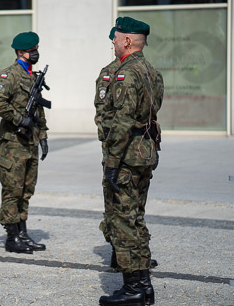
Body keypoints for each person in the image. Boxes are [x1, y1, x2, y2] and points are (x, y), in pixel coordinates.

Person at [98, 17, 163, 306]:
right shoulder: (151, 70)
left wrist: (112, 162)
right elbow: (153, 110)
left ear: (126, 41)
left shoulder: (127, 73)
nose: (113, 41)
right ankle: (144, 287)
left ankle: (134, 289)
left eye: (116, 37)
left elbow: (122, 121)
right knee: (135, 218)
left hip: (126, 156)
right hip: (144, 152)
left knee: (123, 222)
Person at [0, 31, 49, 254]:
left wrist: (42, 136)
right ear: (20, 52)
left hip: (30, 141)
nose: (36, 53)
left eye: (36, 49)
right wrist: (19, 118)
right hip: (13, 143)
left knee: (26, 190)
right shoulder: (9, 76)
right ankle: (12, 237)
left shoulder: (33, 77)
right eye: (32, 50)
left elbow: (39, 110)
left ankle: (23, 233)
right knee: (12, 190)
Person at [94, 28, 121, 267]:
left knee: (134, 202)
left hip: (136, 151)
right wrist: (111, 142)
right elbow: (101, 113)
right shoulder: (108, 73)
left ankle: (135, 251)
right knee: (113, 199)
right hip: (114, 148)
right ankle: (117, 250)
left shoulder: (142, 71)